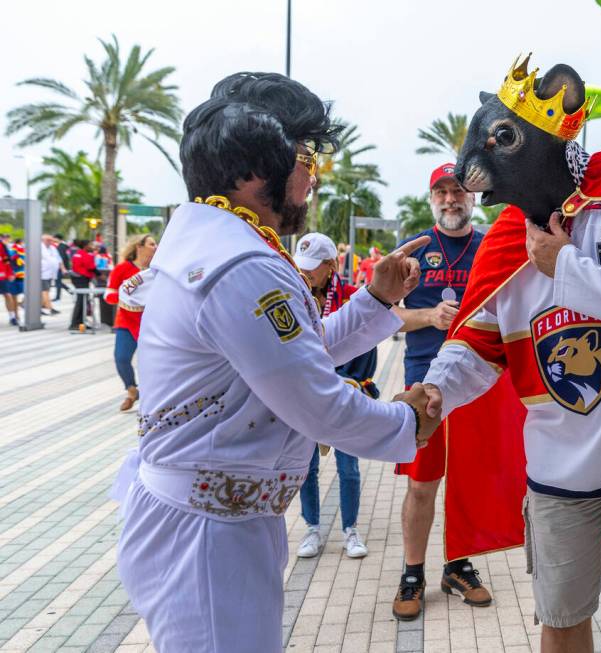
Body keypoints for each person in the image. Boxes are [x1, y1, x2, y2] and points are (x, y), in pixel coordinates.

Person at [112, 71, 439, 653]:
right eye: (306, 157)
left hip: (210, 520)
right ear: (253, 169)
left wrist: (375, 301)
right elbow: (317, 402)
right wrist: (406, 421)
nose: (314, 177)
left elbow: (286, 361)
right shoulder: (241, 263)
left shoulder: (221, 243)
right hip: (208, 537)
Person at [424, 55, 601, 653]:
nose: (467, 172)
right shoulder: (506, 237)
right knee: (559, 618)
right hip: (557, 476)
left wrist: (569, 270)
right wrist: (434, 391)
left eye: (502, 140)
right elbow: (477, 343)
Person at [390, 163, 489, 621]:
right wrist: (429, 317)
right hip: (421, 381)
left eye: (458, 192)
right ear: (432, 199)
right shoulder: (413, 249)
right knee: (422, 482)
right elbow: (386, 315)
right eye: (442, 192)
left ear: (471, 197)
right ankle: (413, 572)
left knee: (468, 480)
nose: (451, 200)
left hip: (473, 384)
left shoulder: (489, 247)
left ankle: (458, 565)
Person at [293, 232, 376, 559]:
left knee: (348, 467)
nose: (306, 273)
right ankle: (312, 528)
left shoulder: (353, 297)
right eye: (302, 266)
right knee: (306, 466)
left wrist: (353, 385)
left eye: (312, 268)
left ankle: (350, 529)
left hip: (345, 394)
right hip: (305, 397)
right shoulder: (292, 298)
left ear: (331, 266)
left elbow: (367, 345)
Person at [105, 234, 157, 412]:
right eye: (151, 244)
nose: (155, 247)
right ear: (139, 247)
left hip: (151, 324)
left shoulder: (156, 270)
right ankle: (131, 390)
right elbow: (108, 294)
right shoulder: (122, 269)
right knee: (121, 358)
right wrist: (126, 298)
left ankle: (151, 396)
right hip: (126, 323)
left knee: (152, 362)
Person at [69, 240, 96, 330]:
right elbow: (91, 267)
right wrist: (100, 275)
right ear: (85, 246)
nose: (92, 246)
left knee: (83, 301)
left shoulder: (78, 253)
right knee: (81, 301)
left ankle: (81, 323)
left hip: (79, 279)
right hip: (81, 279)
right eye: (91, 245)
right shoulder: (85, 255)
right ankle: (74, 324)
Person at [40, 234, 62, 315]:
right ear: (43, 240)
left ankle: (41, 307)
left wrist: (62, 268)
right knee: (45, 291)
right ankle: (50, 308)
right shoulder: (40, 248)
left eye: (51, 240)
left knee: (46, 291)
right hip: (42, 273)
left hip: (50, 273)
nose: (50, 242)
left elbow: (58, 259)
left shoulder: (52, 248)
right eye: (48, 240)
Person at [54, 234, 71, 301]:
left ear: (58, 239)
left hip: (61, 266)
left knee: (57, 281)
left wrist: (61, 267)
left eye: (54, 238)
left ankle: (58, 297)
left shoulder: (62, 246)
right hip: (62, 266)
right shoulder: (64, 246)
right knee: (58, 281)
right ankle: (69, 291)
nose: (54, 240)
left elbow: (61, 257)